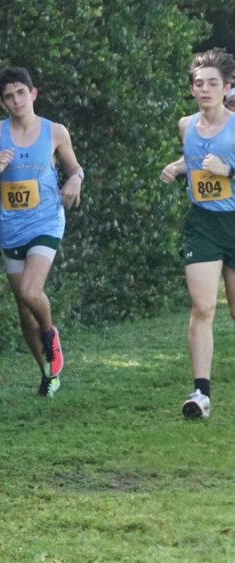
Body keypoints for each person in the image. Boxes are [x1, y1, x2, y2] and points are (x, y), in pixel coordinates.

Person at [0, 66, 83, 397]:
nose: (16, 100)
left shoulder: (55, 131)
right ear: (2, 102)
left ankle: (51, 337)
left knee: (32, 292)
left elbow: (73, 166)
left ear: (33, 94)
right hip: (11, 227)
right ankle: (48, 373)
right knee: (23, 307)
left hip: (47, 220)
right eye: (9, 96)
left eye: (21, 93)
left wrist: (76, 178)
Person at [160, 48, 235, 419]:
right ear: (192, 89)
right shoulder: (186, 125)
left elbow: (220, 165)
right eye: (198, 83)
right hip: (203, 224)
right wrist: (177, 167)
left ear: (227, 87)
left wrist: (230, 173)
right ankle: (201, 394)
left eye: (212, 83)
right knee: (203, 307)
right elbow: (194, 160)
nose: (204, 89)